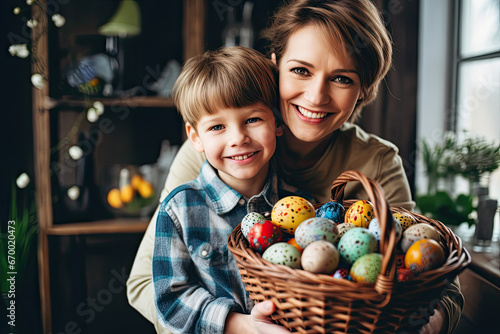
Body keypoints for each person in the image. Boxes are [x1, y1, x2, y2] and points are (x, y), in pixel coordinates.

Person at [127, 1, 463, 333]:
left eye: (342, 78)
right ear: (275, 66)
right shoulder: (217, 149)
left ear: (364, 89)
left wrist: (416, 326)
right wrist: (244, 327)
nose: (316, 97)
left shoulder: (376, 163)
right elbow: (145, 285)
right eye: (301, 70)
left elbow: (432, 279)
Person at [152, 46, 309, 334]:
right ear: (195, 137)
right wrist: (241, 326)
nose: (238, 138)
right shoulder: (180, 209)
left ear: (277, 122)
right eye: (217, 127)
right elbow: (171, 299)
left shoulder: (299, 206)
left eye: (252, 120)